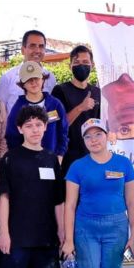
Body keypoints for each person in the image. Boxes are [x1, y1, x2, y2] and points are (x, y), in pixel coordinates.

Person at [62, 119, 134, 268]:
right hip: (86, 228)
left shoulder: (123, 163)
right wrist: (68, 241)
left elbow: (132, 201)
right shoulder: (77, 166)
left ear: (107, 136)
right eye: (88, 137)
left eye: (98, 134)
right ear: (84, 141)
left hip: (116, 228)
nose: (94, 140)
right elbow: (70, 205)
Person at [0, 106, 64, 268]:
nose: (34, 129)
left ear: (45, 127)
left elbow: (59, 200)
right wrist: (4, 233)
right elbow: (4, 198)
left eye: (38, 125)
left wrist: (62, 231)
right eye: (29, 125)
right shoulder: (10, 159)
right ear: (20, 129)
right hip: (18, 237)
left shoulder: (51, 159)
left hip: (46, 237)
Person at [51, 45, 101, 177]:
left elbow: (101, 125)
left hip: (92, 155)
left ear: (92, 65)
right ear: (70, 66)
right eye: (77, 63)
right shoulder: (60, 90)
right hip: (68, 156)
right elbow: (56, 125)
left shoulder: (97, 92)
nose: (81, 66)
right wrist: (80, 108)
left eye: (85, 62)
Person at [5, 61, 69, 162]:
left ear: (43, 79)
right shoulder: (18, 107)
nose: (33, 82)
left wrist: (60, 155)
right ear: (23, 84)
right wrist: (20, 159)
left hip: (51, 160)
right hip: (27, 162)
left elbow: (63, 132)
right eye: (29, 80)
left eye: (36, 78)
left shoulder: (55, 104)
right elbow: (11, 136)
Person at [0, 30, 57, 113]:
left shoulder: (50, 77)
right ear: (23, 50)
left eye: (41, 46)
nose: (37, 50)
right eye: (32, 46)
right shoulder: (8, 78)